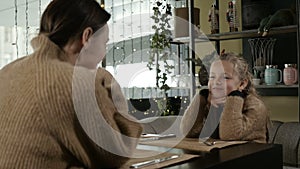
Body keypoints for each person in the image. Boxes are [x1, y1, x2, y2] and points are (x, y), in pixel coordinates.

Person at [0, 0, 142, 168]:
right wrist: (110, 86)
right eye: (104, 43)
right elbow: (117, 152)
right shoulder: (76, 82)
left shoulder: (7, 71)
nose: (103, 55)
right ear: (87, 37)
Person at [180, 52, 269, 143]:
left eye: (225, 77)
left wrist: (234, 96)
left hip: (251, 154)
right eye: (212, 77)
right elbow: (188, 132)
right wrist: (202, 98)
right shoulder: (211, 102)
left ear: (242, 84)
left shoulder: (255, 106)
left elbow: (230, 135)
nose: (217, 82)